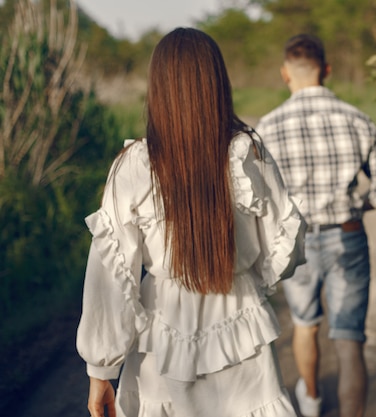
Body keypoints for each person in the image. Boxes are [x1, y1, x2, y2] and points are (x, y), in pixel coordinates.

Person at [76, 27, 307, 417]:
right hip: (240, 325)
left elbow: (113, 277)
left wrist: (101, 369)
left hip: (161, 340)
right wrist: (248, 277)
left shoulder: (134, 166)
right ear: (217, 83)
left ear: (158, 88)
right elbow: (285, 243)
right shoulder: (247, 153)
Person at [255, 34, 376, 417]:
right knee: (350, 339)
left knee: (305, 324)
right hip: (347, 236)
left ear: (285, 74)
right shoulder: (358, 120)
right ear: (328, 71)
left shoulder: (267, 128)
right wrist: (355, 205)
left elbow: (260, 200)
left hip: (297, 243)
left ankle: (313, 400)